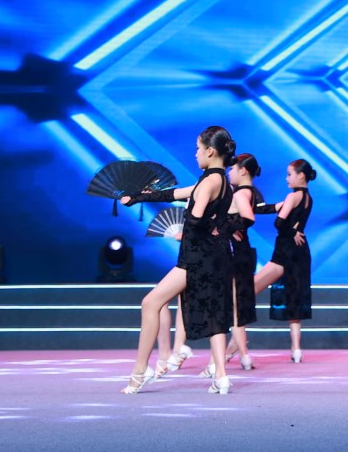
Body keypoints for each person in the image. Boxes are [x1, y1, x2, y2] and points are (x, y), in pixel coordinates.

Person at [120, 125, 237, 394]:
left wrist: (199, 224)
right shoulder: (220, 182)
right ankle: (221, 376)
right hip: (213, 255)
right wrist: (139, 198)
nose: (195, 153)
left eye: (198, 148)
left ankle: (140, 370)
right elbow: (174, 194)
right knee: (214, 315)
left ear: (210, 151)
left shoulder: (209, 182)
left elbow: (194, 219)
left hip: (196, 257)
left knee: (150, 303)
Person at [253, 159, 316, 363]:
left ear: (301, 175)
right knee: (294, 299)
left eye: (289, 174)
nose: (287, 179)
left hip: (286, 251)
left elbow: (279, 222)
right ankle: (296, 349)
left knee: (247, 291)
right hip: (301, 251)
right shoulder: (308, 198)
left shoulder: (293, 196)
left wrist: (291, 231)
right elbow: (279, 212)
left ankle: (236, 345)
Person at [222, 153, 262, 372]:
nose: (229, 172)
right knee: (237, 307)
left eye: (232, 169)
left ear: (243, 171)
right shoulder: (251, 192)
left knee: (235, 307)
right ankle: (239, 354)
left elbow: (248, 218)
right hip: (243, 251)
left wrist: (228, 227)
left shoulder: (240, 193)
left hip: (235, 253)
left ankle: (243, 354)